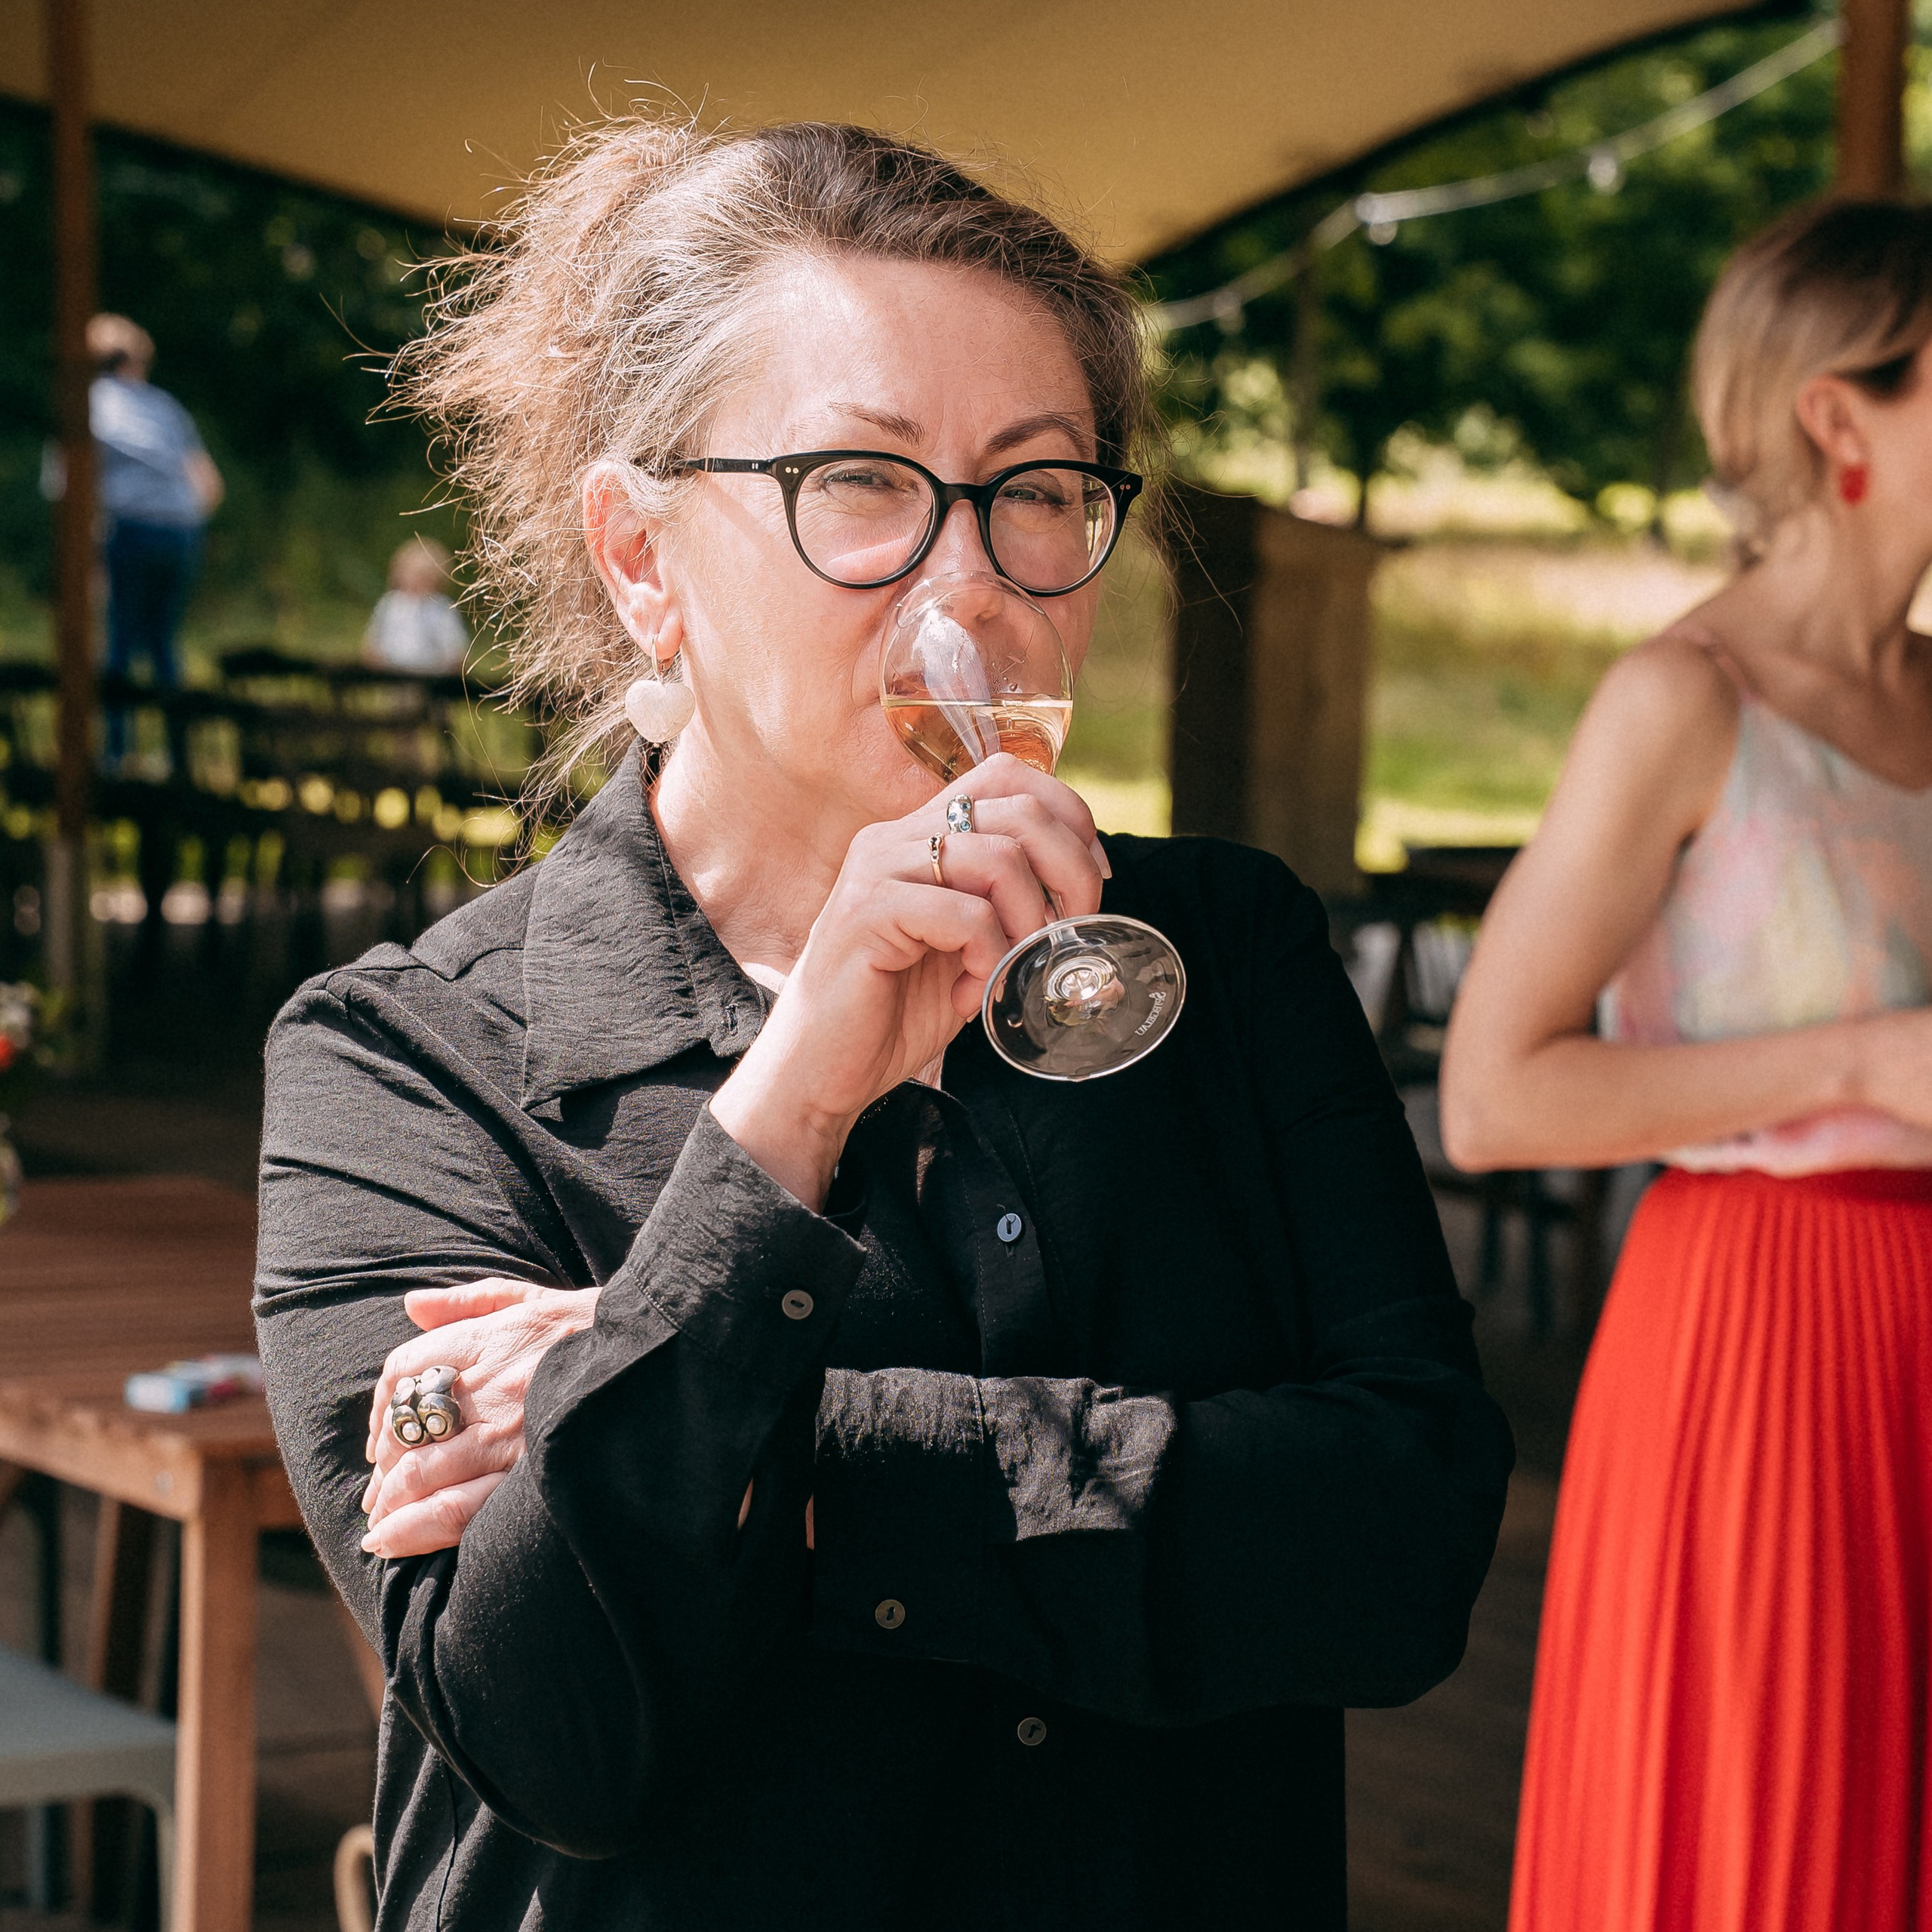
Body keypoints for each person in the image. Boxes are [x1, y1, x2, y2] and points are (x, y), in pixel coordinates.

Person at [254, 118, 1512, 1932]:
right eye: (861, 479)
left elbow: (1395, 1548)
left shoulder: (1220, 949)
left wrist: (766, 1445)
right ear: (637, 553)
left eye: (1036, 485)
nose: (972, 583)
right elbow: (551, 1733)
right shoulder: (405, 1058)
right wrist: (792, 1095)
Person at [1441, 200, 1932, 1932]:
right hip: (1764, 1339)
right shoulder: (1683, 697)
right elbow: (1495, 1095)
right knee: (1772, 1839)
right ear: (1834, 413)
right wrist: (1866, 1056)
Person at [86, 314, 223, 763]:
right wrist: (182, 522)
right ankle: (177, 757)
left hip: (126, 528)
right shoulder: (164, 406)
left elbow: (68, 488)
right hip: (179, 533)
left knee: (119, 640)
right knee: (163, 643)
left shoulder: (85, 405)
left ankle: (116, 756)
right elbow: (208, 487)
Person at [362, 535, 469, 674]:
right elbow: (373, 644)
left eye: (423, 576)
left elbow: (455, 649)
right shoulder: (390, 604)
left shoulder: (441, 607)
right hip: (392, 674)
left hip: (431, 677)